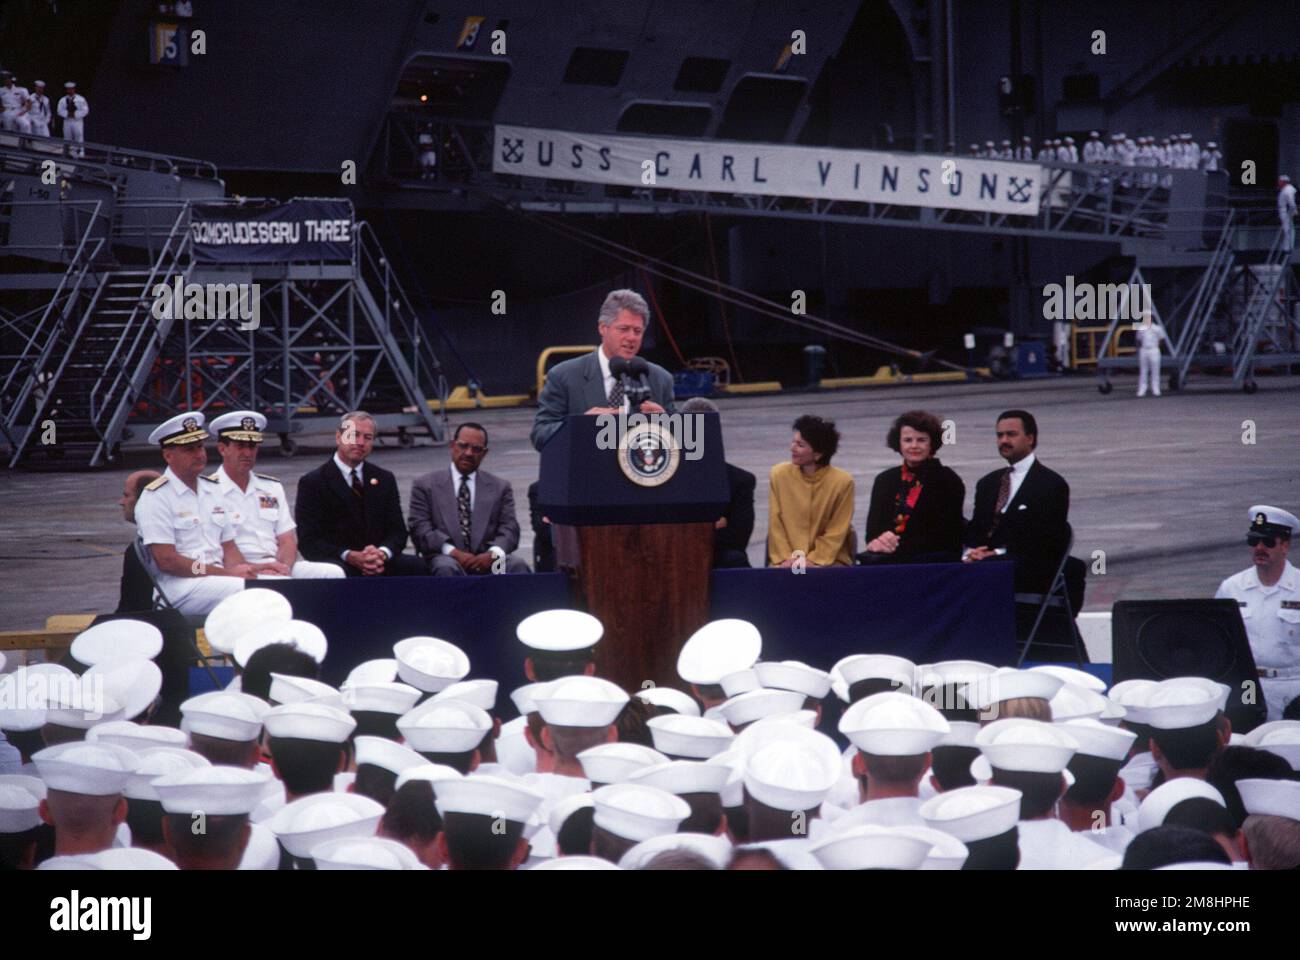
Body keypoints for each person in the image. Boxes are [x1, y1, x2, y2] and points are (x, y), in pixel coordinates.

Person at [530, 289, 675, 451]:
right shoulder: (564, 376)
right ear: (602, 328)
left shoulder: (660, 378)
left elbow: (682, 444)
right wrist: (581, 427)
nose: (632, 337)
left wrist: (667, 423)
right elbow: (540, 435)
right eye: (623, 329)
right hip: (586, 472)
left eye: (637, 331)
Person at [132, 412, 248, 615]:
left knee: (280, 586)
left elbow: (229, 547)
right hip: (181, 587)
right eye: (189, 449)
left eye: (200, 447)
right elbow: (168, 562)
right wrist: (227, 574)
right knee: (254, 593)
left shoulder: (213, 489)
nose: (199, 454)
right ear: (168, 456)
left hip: (218, 578)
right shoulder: (156, 497)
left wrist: (247, 571)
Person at [205, 411, 344, 580]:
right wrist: (259, 569)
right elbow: (217, 550)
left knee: (332, 573)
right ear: (222, 448)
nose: (247, 453)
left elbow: (287, 540)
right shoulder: (208, 491)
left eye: (252, 446)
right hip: (237, 571)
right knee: (281, 582)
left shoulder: (271, 487)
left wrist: (282, 567)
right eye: (240, 446)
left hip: (277, 564)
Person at [294, 410, 428, 576]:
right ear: (338, 437)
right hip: (338, 562)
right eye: (354, 435)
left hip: (379, 561)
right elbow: (309, 542)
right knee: (337, 573)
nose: (360, 442)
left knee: (422, 567)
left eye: (367, 437)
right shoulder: (313, 482)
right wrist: (350, 556)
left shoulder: (384, 478)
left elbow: (398, 531)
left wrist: (382, 553)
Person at [964, 410, 1071, 597]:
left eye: (1011, 434)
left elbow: (1046, 540)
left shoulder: (1051, 484)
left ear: (1030, 438)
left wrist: (997, 553)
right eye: (999, 435)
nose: (1004, 440)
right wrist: (970, 552)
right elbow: (977, 528)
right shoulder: (987, 483)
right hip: (986, 563)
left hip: (1025, 565)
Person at [408, 422, 529, 576]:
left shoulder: (500, 487)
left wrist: (492, 555)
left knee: (516, 566)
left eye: (476, 449)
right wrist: (453, 552)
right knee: (445, 568)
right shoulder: (425, 485)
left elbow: (510, 528)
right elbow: (420, 528)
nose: (469, 453)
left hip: (489, 562)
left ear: (485, 453)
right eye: (463, 446)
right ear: (452, 446)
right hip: (447, 557)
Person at [1215, 506, 1300, 720]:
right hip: (1248, 684)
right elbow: (1218, 639)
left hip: (1292, 684)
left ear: (1285, 545)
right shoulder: (1232, 587)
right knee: (1249, 735)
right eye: (1254, 541)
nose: (1260, 548)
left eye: (1268, 542)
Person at [860, 410, 965, 564]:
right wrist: (880, 541)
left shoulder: (948, 480)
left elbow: (947, 535)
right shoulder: (884, 479)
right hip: (890, 555)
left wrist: (896, 546)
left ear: (932, 443)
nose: (914, 446)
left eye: (921, 440)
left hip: (931, 560)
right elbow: (873, 531)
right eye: (908, 440)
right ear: (899, 443)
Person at [767, 414, 854, 568]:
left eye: (800, 445)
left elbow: (837, 530)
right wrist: (787, 559)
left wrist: (814, 560)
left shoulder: (843, 482)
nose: (792, 448)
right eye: (793, 442)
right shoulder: (778, 474)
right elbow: (776, 524)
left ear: (818, 454)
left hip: (830, 559)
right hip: (786, 559)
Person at [679, 397, 755, 568]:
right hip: (672, 553)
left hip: (716, 555)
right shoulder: (664, 478)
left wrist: (689, 527)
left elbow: (738, 539)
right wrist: (709, 525)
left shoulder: (740, 481)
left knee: (735, 559)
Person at [1134, 318, 1165, 398]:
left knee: (1155, 370)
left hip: (1154, 349)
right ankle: (1142, 389)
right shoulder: (1141, 328)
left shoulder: (1157, 328)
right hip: (1144, 349)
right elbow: (1138, 339)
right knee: (1143, 370)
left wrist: (1156, 347)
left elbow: (1161, 339)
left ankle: (1156, 389)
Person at [57, 81, 88, 155]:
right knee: (67, 137)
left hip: (77, 121)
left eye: (71, 89)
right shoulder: (63, 100)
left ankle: (80, 153)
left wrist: (75, 114)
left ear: (74, 89)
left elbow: (85, 110)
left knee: (79, 136)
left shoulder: (80, 99)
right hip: (67, 120)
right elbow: (59, 111)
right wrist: (67, 114)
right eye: (68, 89)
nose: (69, 91)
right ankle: (67, 153)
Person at [1278, 175, 1296, 252]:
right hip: (1283, 211)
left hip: (1285, 211)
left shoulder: (1288, 190)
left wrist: (1294, 210)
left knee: (1288, 230)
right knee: (1287, 230)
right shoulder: (1284, 189)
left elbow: (1291, 201)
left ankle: (1288, 247)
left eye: (1280, 181)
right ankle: (1286, 247)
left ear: (1284, 182)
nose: (1279, 183)